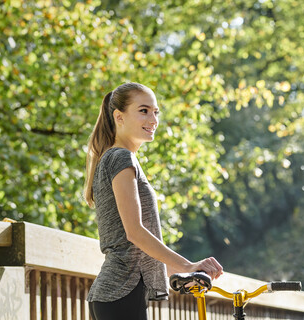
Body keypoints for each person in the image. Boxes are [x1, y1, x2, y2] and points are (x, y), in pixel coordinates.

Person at [84, 82, 223, 320]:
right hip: (121, 294)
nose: (153, 119)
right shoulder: (120, 157)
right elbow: (135, 233)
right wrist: (188, 265)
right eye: (144, 110)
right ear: (119, 117)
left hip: (116, 295)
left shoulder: (117, 158)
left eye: (156, 112)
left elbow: (133, 249)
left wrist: (182, 272)